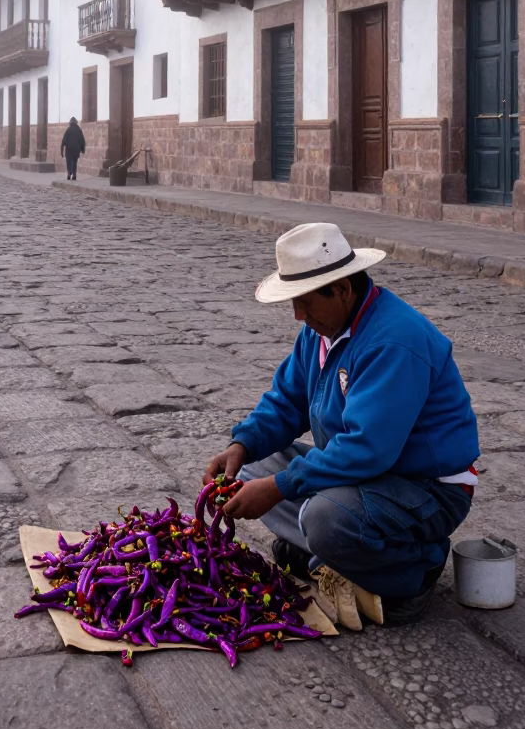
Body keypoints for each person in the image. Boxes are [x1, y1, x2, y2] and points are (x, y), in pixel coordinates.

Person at [204, 222, 479, 630]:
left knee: (324, 519)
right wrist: (242, 444)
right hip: (364, 478)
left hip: (426, 489)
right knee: (248, 472)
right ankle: (333, 557)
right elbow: (286, 402)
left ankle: (413, 575)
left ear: (343, 290)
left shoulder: (393, 341)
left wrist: (279, 488)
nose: (299, 314)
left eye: (306, 302)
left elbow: (366, 449)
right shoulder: (318, 332)